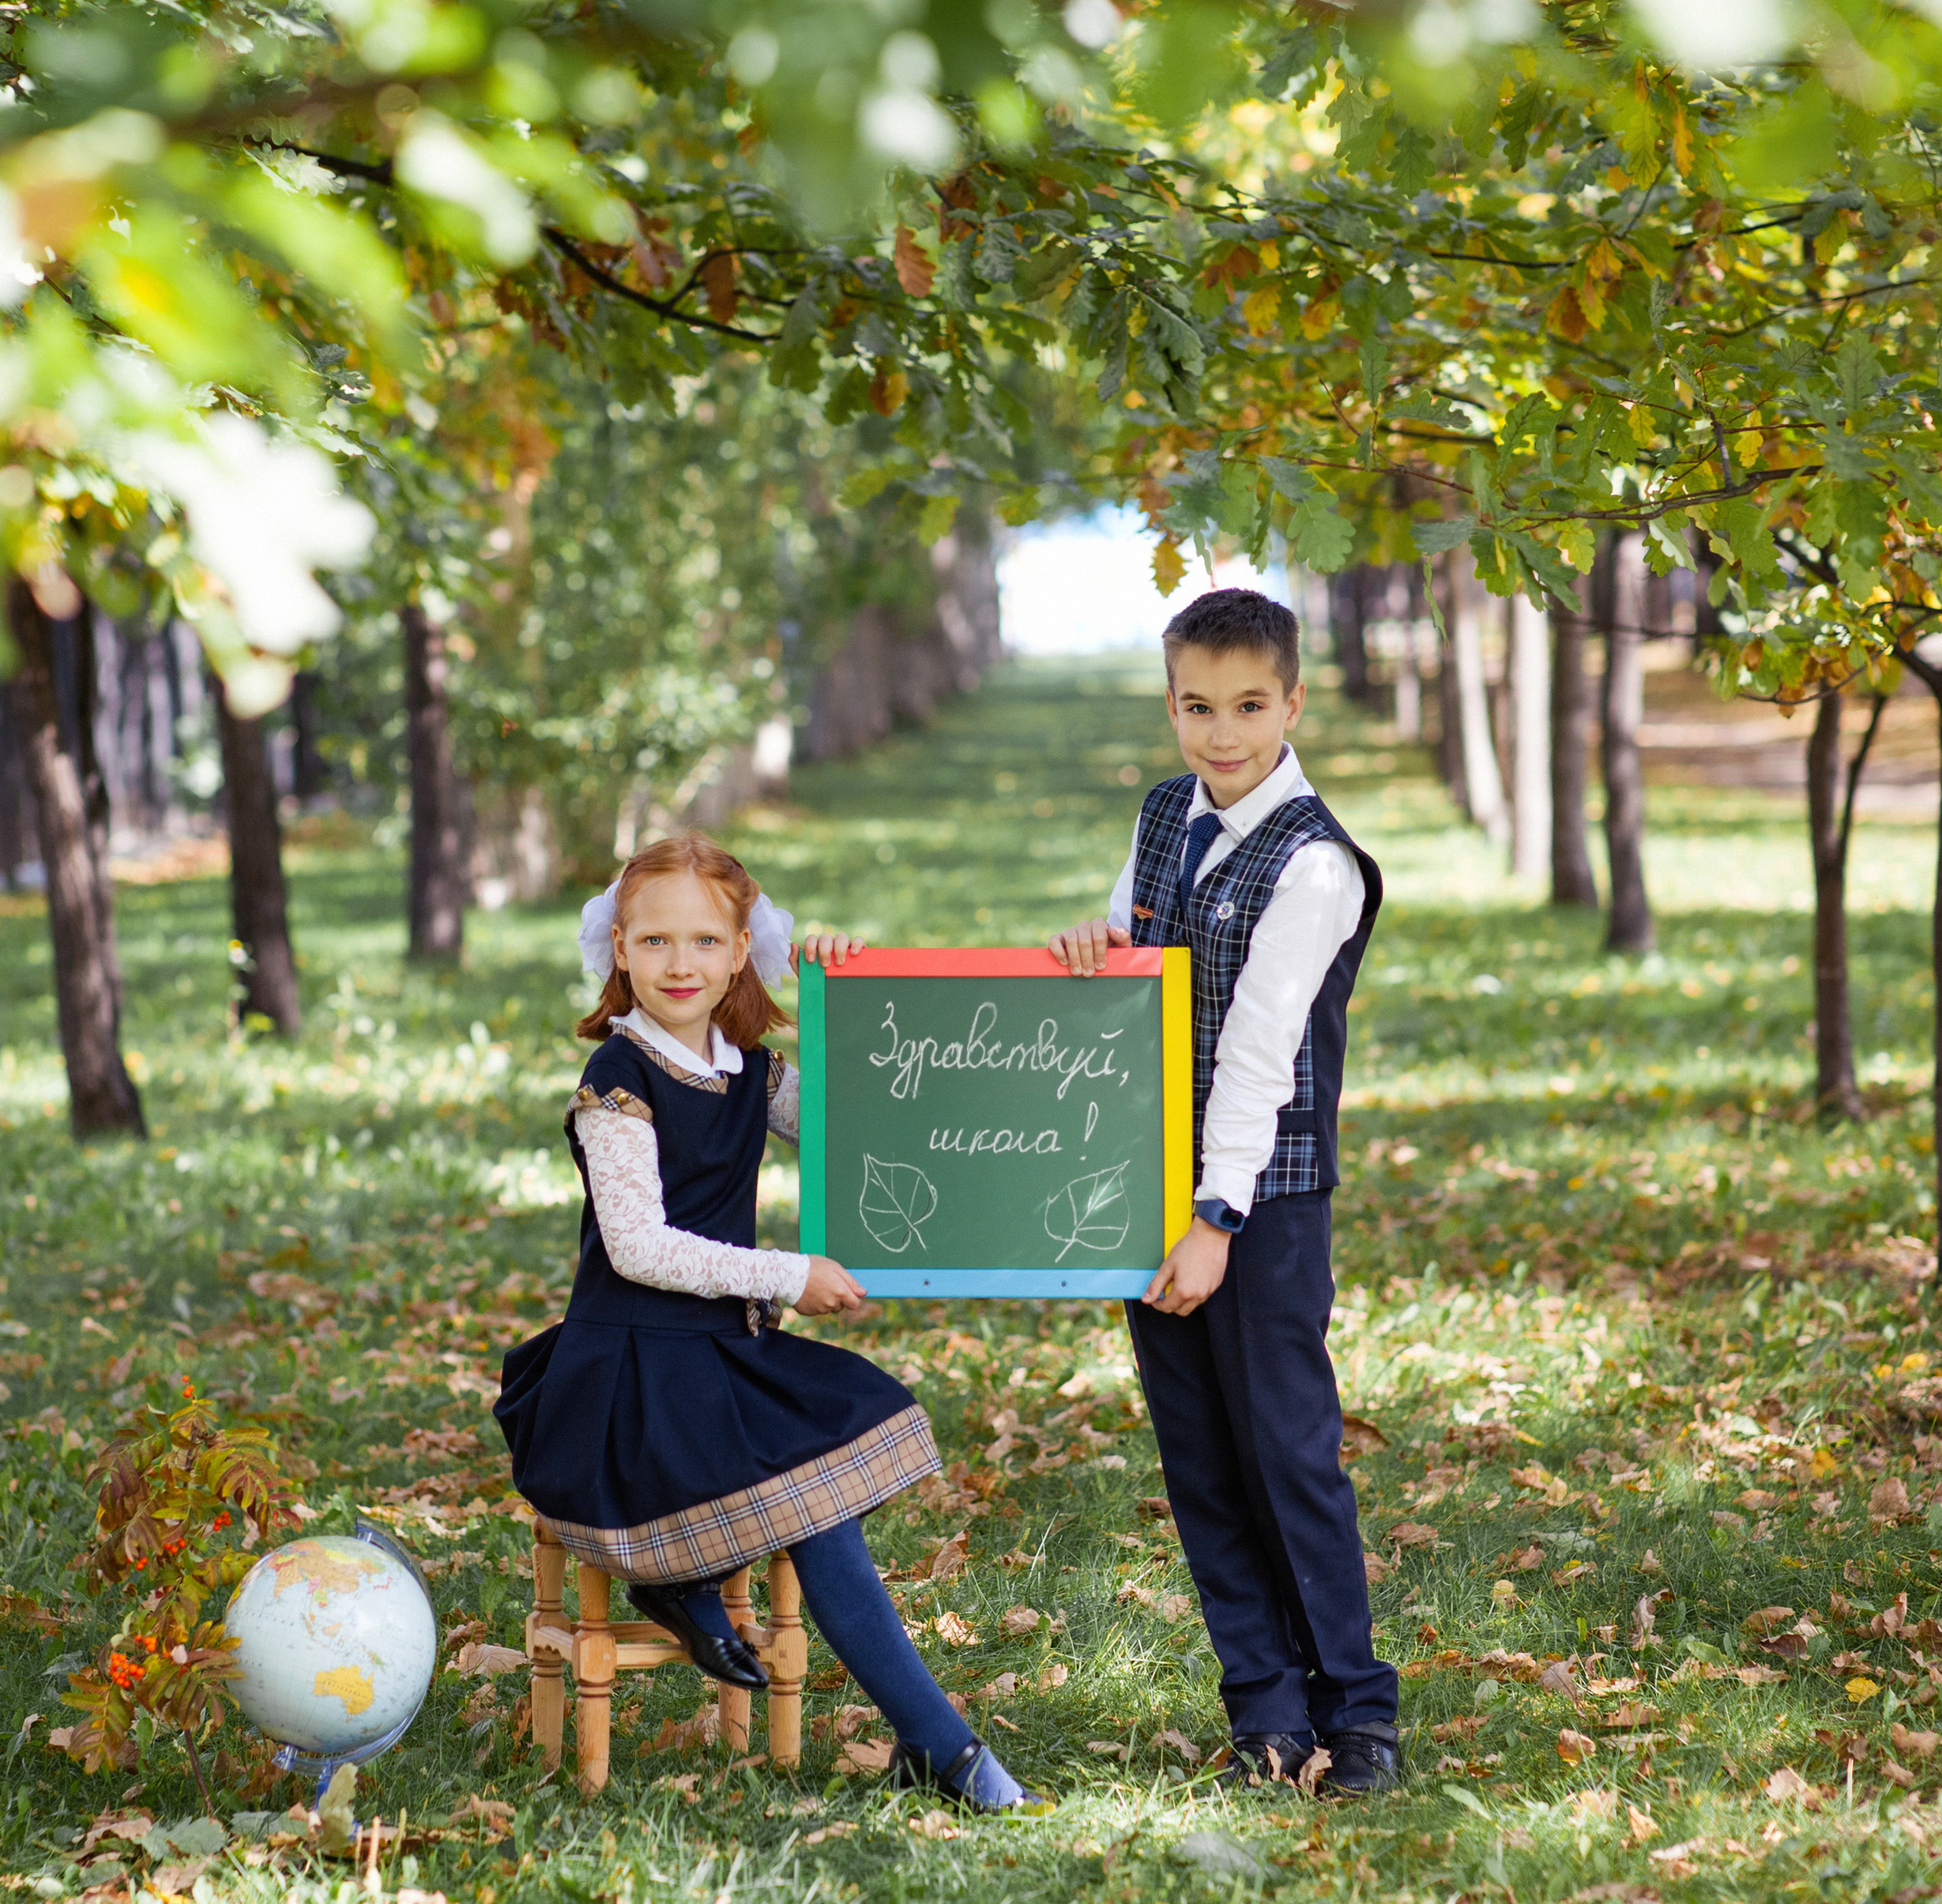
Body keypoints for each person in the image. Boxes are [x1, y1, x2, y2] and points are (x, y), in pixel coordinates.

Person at [495, 834, 1046, 1814]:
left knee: (836, 1453)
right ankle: (939, 1745)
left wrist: (851, 994)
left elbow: (874, 1116)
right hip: (628, 1378)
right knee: (819, 1503)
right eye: (656, 941)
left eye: (706, 941)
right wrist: (788, 1274)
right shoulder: (616, 1082)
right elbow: (640, 1248)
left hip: (717, 1357)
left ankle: (715, 1595)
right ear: (618, 950)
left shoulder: (749, 1070)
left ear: (742, 949)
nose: (680, 964)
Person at [1047, 586, 1401, 1797]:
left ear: (1293, 703)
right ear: (1173, 705)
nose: (1223, 734)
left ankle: (1356, 1713)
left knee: (1288, 1454)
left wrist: (1213, 1222)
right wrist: (1091, 952)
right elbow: (1127, 953)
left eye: (1250, 706)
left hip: (1262, 1201)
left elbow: (1256, 1054)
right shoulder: (1164, 816)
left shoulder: (1314, 868)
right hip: (1147, 1180)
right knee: (1199, 1458)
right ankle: (1263, 1707)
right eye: (1198, 707)